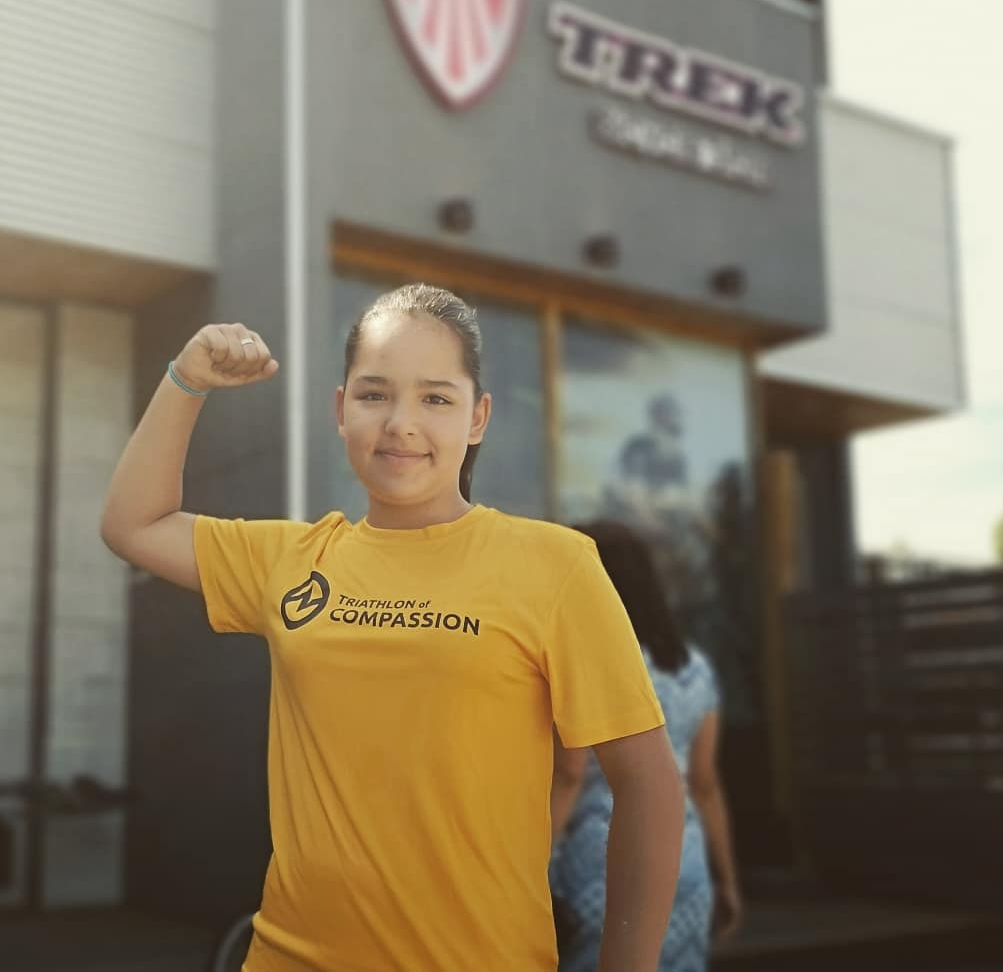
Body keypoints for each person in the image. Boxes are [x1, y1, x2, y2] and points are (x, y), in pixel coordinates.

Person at [100, 283, 685, 972]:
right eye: (374, 394)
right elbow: (131, 523)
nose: (401, 422)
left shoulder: (554, 564)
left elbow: (648, 785)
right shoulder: (292, 558)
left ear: (477, 417)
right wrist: (184, 379)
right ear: (339, 409)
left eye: (435, 397)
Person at [550, 520, 743, 972]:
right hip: (684, 866)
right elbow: (705, 785)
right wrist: (727, 879)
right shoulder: (693, 668)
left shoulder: (588, 661)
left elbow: (569, 774)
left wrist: (530, 869)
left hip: (599, 869)